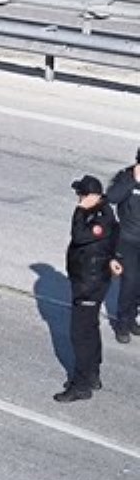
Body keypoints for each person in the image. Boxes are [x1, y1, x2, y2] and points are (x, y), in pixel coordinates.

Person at [56, 176, 123, 402]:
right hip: (88, 279)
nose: (78, 199)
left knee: (81, 334)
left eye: (81, 195)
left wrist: (79, 212)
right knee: (90, 329)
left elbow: (79, 236)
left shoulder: (99, 217)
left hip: (89, 283)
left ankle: (82, 384)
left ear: (91, 196)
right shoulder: (101, 212)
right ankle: (92, 374)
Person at [105, 147, 140, 343]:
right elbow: (112, 197)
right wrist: (133, 180)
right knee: (130, 282)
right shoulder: (126, 178)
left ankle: (132, 316)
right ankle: (123, 324)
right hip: (128, 240)